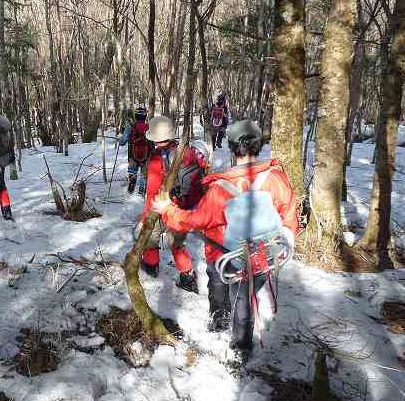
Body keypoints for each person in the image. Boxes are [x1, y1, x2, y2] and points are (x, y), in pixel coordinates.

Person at [151, 119, 299, 365]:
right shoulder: (276, 178)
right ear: (259, 146)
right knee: (245, 297)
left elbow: (195, 220)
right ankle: (239, 342)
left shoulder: (221, 187)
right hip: (264, 254)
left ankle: (226, 330)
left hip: (224, 255)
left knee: (220, 285)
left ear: (231, 148)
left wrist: (167, 210)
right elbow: (291, 216)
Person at [138, 115, 210, 293]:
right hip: (184, 207)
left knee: (151, 233)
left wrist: (146, 216)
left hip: (166, 206)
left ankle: (151, 265)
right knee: (176, 242)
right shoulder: (185, 151)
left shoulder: (156, 159)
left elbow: (152, 194)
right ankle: (187, 276)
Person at [118, 106, 151, 196]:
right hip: (146, 155)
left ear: (135, 116)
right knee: (144, 173)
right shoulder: (149, 128)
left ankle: (131, 186)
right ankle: (142, 190)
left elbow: (122, 142)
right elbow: (152, 143)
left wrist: (120, 140)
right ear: (145, 116)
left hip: (133, 155)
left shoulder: (130, 127)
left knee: (132, 169)